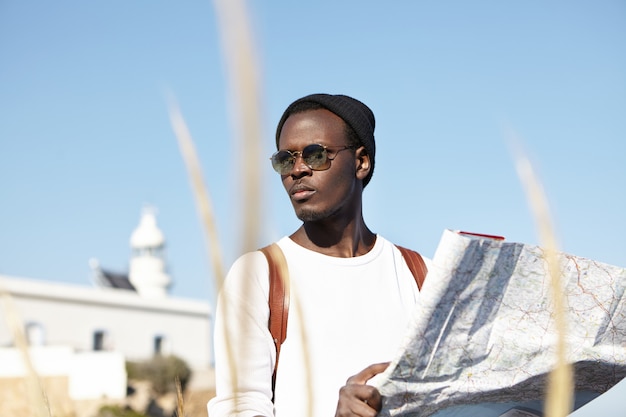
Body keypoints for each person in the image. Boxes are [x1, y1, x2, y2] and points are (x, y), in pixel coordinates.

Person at [207, 93, 430, 417]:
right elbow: (238, 410)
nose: (297, 170)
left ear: (361, 162)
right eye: (285, 159)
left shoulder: (421, 274)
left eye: (315, 155)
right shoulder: (259, 275)